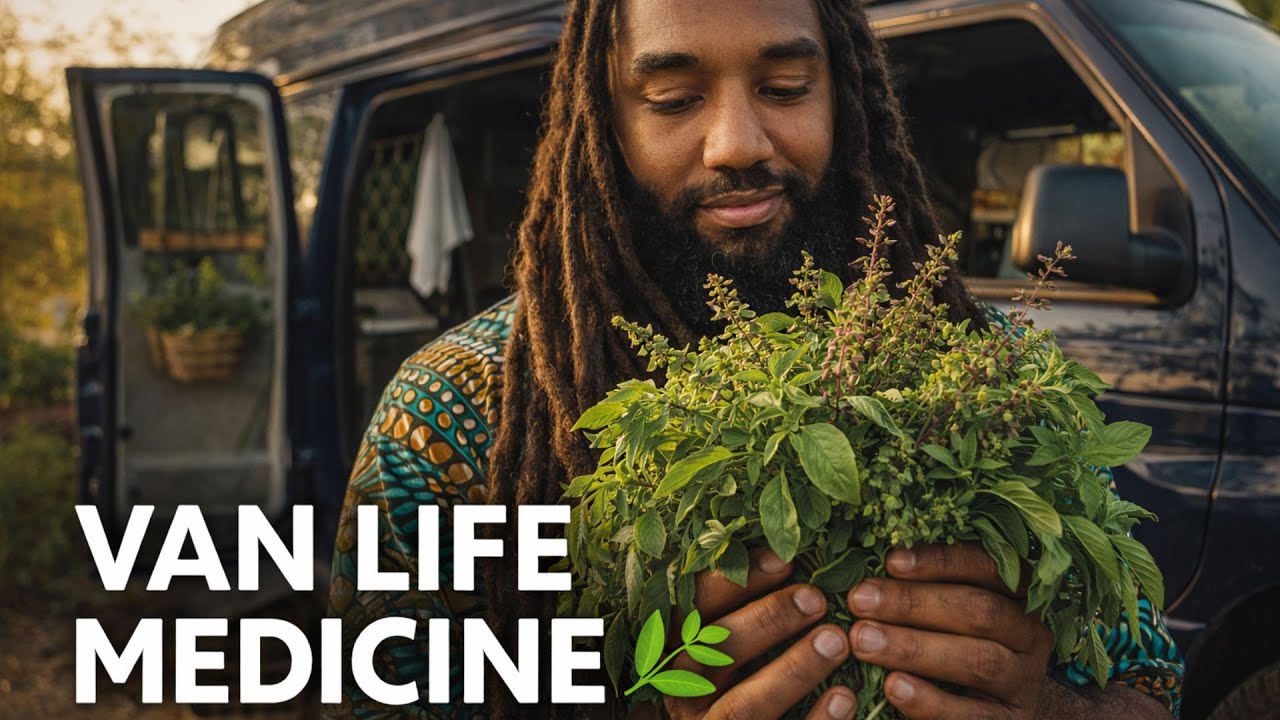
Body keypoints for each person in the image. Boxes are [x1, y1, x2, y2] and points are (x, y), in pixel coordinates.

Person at [326, 1, 1185, 718]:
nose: (736, 142)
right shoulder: (455, 415)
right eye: (672, 99)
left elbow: (1150, 684)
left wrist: (1046, 704)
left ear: (845, 100)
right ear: (606, 124)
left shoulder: (982, 379)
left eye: (784, 88)